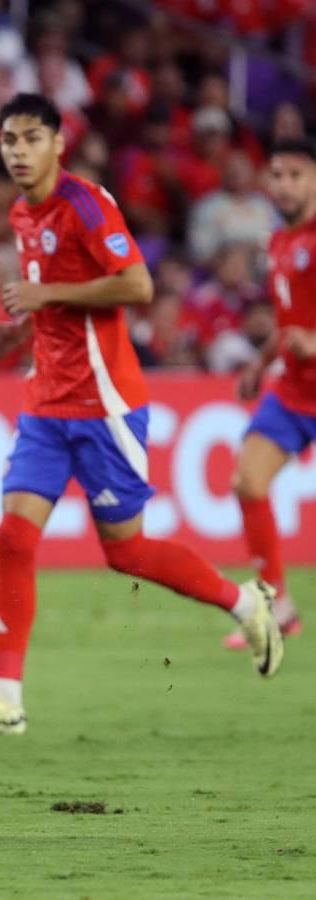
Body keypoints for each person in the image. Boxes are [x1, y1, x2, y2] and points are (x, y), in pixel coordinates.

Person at [0, 94, 283, 737]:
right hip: (47, 400)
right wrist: (23, 332)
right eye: (9, 140)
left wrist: (49, 293)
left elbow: (137, 285)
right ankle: (5, 698)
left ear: (58, 144)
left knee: (124, 553)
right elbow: (55, 301)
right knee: (14, 537)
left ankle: (245, 602)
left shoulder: (85, 203)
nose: (17, 151)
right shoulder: (22, 212)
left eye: (31, 138)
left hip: (107, 405)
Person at [227, 138, 316, 649]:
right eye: (277, 175)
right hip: (293, 390)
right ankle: (277, 605)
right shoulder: (282, 242)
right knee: (247, 482)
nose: (284, 185)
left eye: (295, 175)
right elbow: (291, 323)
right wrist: (262, 363)